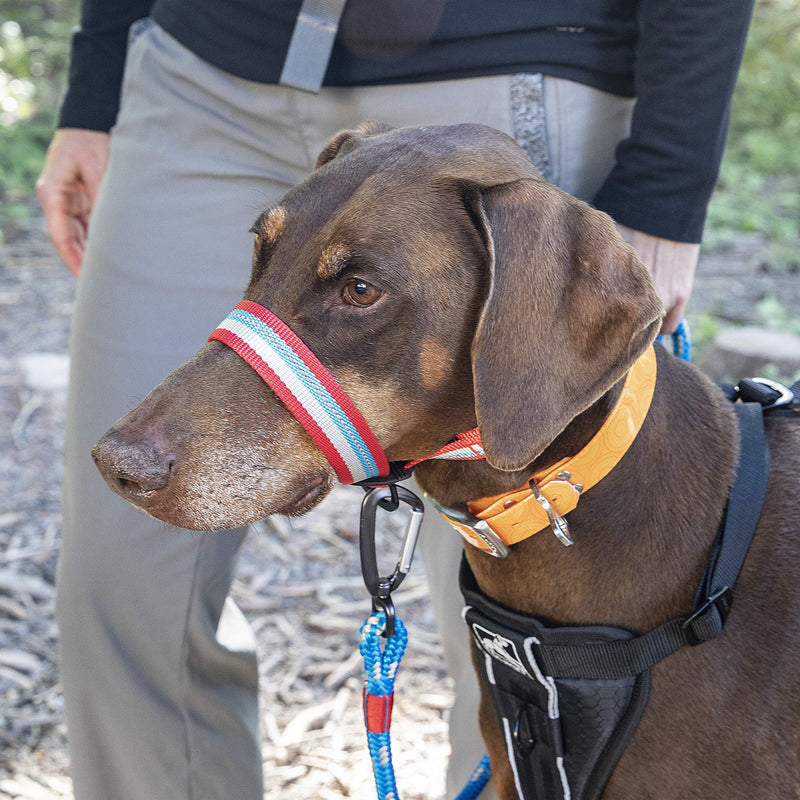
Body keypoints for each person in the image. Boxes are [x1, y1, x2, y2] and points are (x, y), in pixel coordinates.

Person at [37, 1, 754, 797]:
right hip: (203, 68)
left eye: (359, 290)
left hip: (507, 55)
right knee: (120, 577)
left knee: (519, 654)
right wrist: (95, 91)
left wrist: (667, 185)